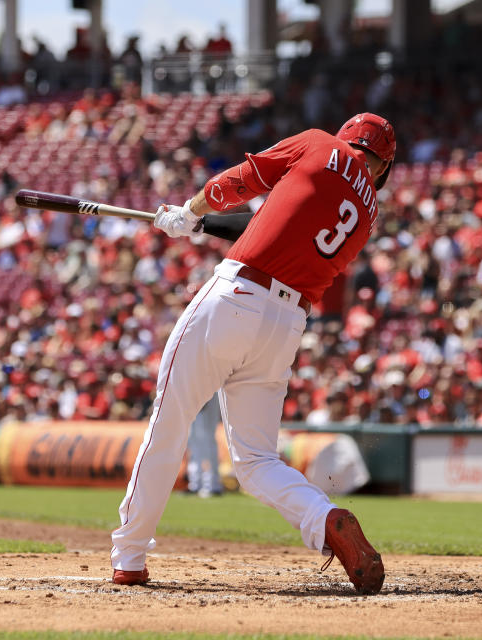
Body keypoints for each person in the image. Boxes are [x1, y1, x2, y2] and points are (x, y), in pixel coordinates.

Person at [110, 113, 396, 595]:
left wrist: (189, 209)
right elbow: (281, 221)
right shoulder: (366, 214)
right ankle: (324, 517)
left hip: (236, 295)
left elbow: (245, 180)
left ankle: (130, 555)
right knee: (256, 460)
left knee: (170, 420)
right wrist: (201, 223)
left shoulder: (317, 142)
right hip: (285, 325)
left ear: (347, 136)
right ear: (382, 165)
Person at [187, 396, 223, 497]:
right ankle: (195, 484)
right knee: (193, 440)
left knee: (207, 439)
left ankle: (212, 484)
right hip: (192, 394)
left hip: (208, 392)